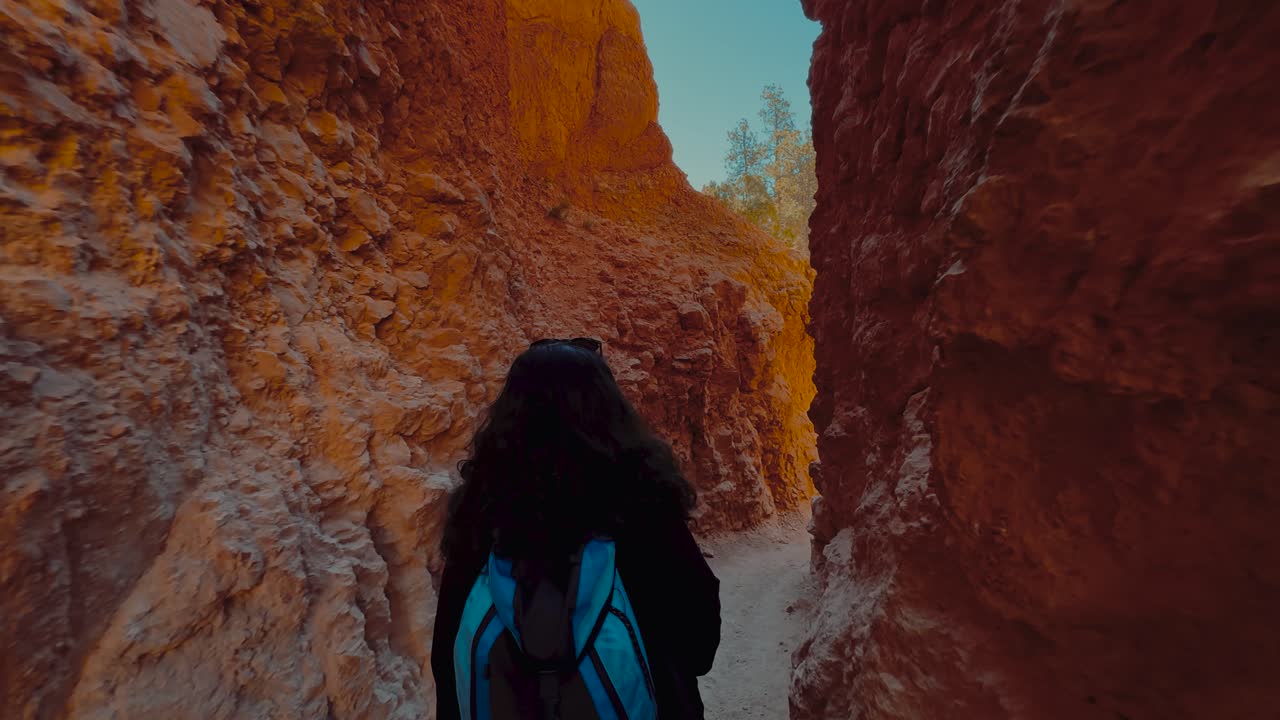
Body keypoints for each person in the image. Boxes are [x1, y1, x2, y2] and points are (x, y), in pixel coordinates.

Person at [431, 337, 721, 719]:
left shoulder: (481, 511)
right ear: (609, 410)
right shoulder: (643, 504)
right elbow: (699, 642)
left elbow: (448, 654)